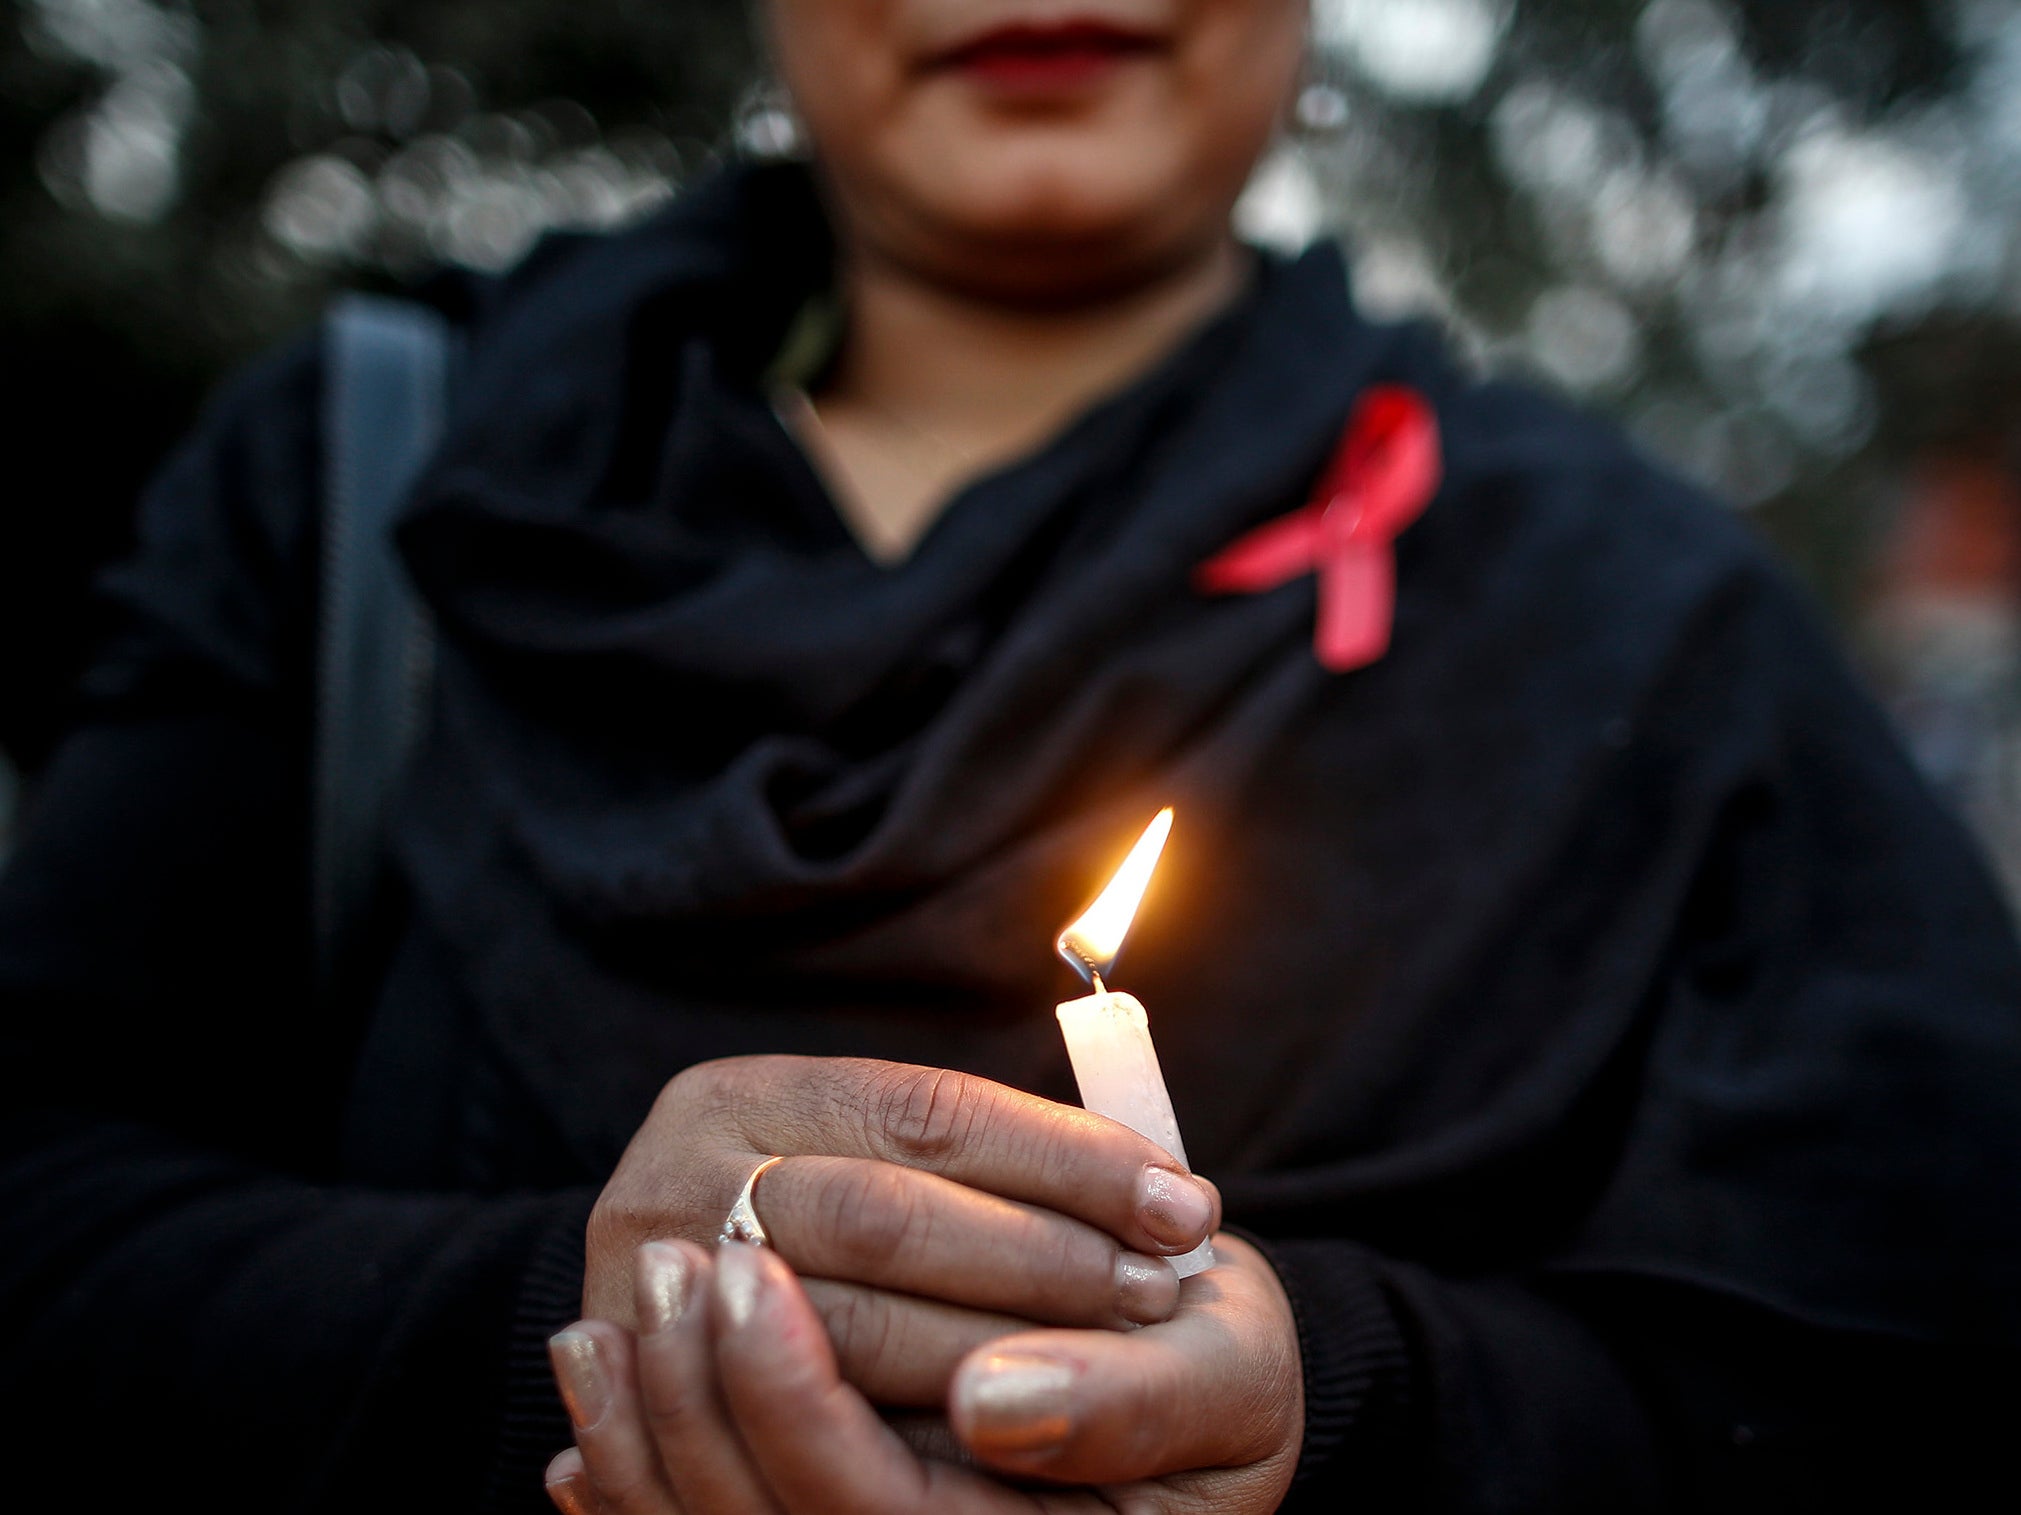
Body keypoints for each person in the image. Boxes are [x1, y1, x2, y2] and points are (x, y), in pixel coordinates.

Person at [3, 1, 2018, 1511]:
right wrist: (592, 1328)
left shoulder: (1644, 617)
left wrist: (1341, 1401)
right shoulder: (372, 489)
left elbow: (1908, 1351)